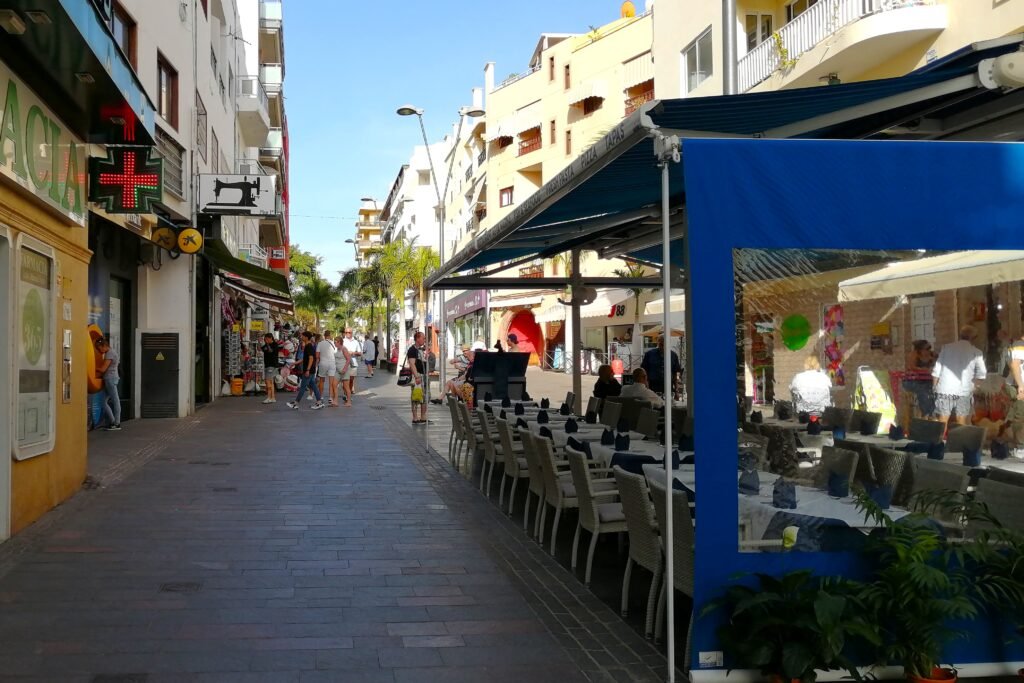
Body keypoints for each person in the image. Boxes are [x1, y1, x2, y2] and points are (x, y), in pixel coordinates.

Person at [932, 325, 987, 426]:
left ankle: (938, 441)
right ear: (973, 338)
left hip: (945, 389)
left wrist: (934, 387)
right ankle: (961, 441)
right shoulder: (976, 352)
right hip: (964, 391)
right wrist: (974, 387)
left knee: (942, 419)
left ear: (960, 335)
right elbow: (981, 375)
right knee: (961, 420)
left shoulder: (946, 348)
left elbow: (937, 370)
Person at [287, 331, 324, 410]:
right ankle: (319, 402)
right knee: (313, 386)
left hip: (309, 370)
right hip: (310, 370)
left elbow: (311, 358)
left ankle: (296, 403)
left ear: (306, 337)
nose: (301, 337)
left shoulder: (309, 346)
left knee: (303, 387)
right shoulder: (308, 346)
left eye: (302, 336)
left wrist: (307, 370)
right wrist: (295, 363)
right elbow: (305, 358)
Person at [902, 339, 936, 420]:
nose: (929, 350)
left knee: (934, 391)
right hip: (912, 381)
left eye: (930, 348)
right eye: (927, 348)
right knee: (924, 391)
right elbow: (911, 367)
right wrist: (924, 370)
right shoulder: (914, 355)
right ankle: (927, 414)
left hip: (926, 381)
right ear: (920, 349)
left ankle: (932, 413)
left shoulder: (931, 355)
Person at [95, 336, 121, 431]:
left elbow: (103, 369)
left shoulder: (110, 354)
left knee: (115, 401)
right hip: (110, 379)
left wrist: (92, 369)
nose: (100, 351)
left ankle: (117, 423)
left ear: (104, 345)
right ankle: (113, 421)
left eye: (99, 348)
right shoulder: (111, 352)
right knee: (103, 402)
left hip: (110, 379)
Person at [408, 331, 428, 424]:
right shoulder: (412, 350)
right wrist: (417, 376)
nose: (424, 340)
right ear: (418, 338)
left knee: (424, 396)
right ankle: (415, 417)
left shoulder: (420, 349)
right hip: (418, 376)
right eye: (423, 338)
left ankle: (423, 417)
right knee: (416, 396)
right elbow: (412, 364)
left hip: (423, 375)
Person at [316, 330, 338, 406]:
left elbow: (317, 355)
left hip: (323, 363)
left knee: (322, 380)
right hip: (332, 363)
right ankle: (330, 397)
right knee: (331, 382)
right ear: (330, 335)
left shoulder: (320, 343)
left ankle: (321, 396)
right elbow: (336, 354)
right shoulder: (334, 343)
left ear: (324, 335)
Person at [342, 328, 362, 402]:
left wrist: (353, 353)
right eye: (346, 332)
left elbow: (360, 353)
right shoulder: (342, 341)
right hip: (344, 363)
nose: (347, 333)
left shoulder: (356, 342)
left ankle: (348, 394)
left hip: (353, 363)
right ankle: (345, 394)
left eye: (349, 332)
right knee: (344, 380)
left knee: (351, 380)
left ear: (352, 333)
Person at [260, 333, 280, 404]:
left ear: (271, 338)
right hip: (268, 365)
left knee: (268, 381)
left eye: (267, 339)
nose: (266, 340)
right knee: (271, 382)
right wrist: (260, 342)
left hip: (271, 365)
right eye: (265, 339)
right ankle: (273, 397)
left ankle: (269, 397)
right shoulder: (266, 345)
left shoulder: (275, 345)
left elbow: (271, 351)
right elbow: (262, 349)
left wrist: (267, 344)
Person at [335, 335, 352, 406]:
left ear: (339, 342)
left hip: (344, 371)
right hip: (338, 370)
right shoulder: (337, 349)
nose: (334, 343)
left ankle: (349, 402)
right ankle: (335, 401)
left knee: (346, 387)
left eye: (335, 342)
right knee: (334, 384)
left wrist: (344, 368)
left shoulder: (344, 349)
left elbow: (348, 359)